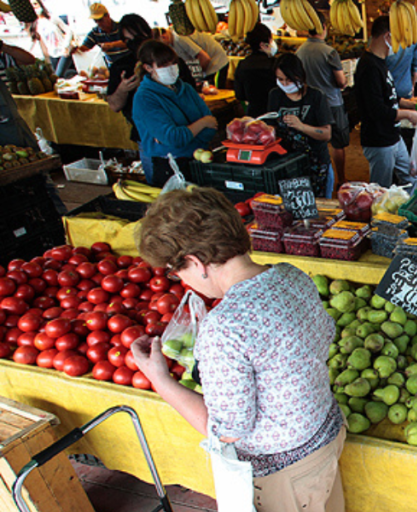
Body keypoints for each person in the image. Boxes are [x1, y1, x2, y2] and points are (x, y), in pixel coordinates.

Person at [130, 187, 345, 512]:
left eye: (177, 271)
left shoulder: (224, 325)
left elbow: (229, 431)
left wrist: (160, 380)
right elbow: (325, 334)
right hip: (326, 434)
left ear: (196, 262)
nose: (182, 280)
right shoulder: (291, 275)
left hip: (286, 472)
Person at [109, 15, 196, 180]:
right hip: (148, 139)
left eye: (138, 37)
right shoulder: (121, 67)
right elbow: (114, 105)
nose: (135, 43)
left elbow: (191, 96)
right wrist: (123, 89)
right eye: (128, 40)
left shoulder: (173, 63)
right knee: (159, 183)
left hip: (182, 134)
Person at [354, 15, 417, 189]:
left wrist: (413, 106)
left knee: (411, 179)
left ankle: (406, 205)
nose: (399, 46)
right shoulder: (369, 67)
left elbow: (389, 97)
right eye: (397, 39)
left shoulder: (381, 63)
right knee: (380, 190)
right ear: (387, 36)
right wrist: (408, 115)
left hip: (393, 136)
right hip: (379, 140)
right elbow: (377, 110)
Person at [132, 40, 216, 186]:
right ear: (148, 68)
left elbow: (211, 129)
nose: (170, 69)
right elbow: (173, 138)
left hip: (201, 160)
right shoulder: (145, 98)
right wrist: (203, 123)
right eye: (163, 65)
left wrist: (183, 134)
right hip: (170, 167)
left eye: (173, 63)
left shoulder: (187, 89)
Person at [297, 11, 349, 192]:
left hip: (310, 104)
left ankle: (318, 176)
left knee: (315, 142)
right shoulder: (329, 52)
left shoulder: (299, 52)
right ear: (324, 27)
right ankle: (341, 179)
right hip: (332, 102)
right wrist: (346, 80)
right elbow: (341, 82)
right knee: (338, 143)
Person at [268, 53, 333, 198]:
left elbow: (326, 134)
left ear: (300, 76)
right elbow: (271, 128)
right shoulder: (275, 95)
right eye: (280, 79)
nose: (285, 84)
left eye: (289, 80)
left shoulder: (316, 96)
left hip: (316, 164)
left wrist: (301, 126)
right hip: (287, 165)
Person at [233, 23, 278, 117]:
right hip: (274, 113)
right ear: (262, 44)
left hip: (253, 114)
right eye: (271, 39)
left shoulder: (242, 65)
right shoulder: (275, 64)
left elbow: (239, 95)